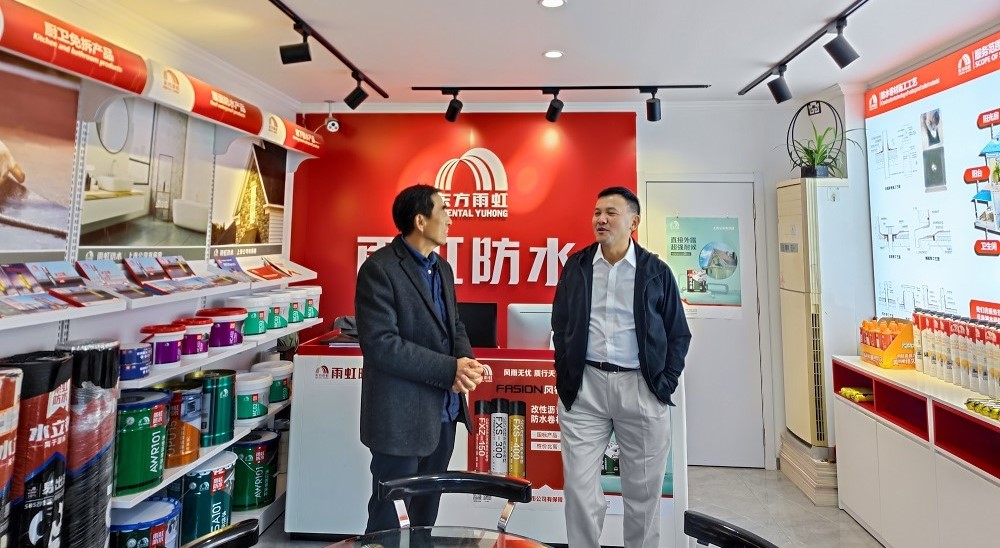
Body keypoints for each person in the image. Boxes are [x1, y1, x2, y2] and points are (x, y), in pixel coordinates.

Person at [551, 186, 691, 548]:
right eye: (597, 212)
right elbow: (560, 323)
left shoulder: (656, 272)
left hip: (640, 388)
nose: (601, 219)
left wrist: (663, 384)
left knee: (643, 494)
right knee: (578, 488)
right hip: (586, 388)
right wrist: (566, 374)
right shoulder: (577, 267)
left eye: (611, 213)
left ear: (633, 222)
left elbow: (678, 334)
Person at [355, 183, 485, 533]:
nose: (451, 219)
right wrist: (449, 369)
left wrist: (465, 361)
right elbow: (381, 345)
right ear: (421, 221)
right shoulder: (380, 269)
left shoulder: (442, 268)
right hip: (400, 419)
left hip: (442, 415)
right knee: (388, 520)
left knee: (425, 518)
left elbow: (454, 324)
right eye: (444, 211)